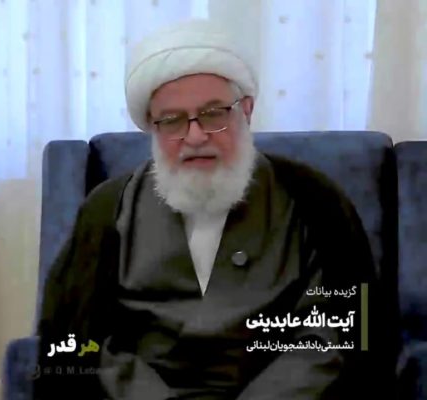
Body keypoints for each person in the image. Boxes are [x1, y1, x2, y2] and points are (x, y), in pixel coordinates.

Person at [34, 20, 388, 400]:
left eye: (214, 113)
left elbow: (345, 331)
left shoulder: (315, 200)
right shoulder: (108, 210)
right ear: (152, 127)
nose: (195, 136)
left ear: (246, 110)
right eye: (172, 120)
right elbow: (75, 339)